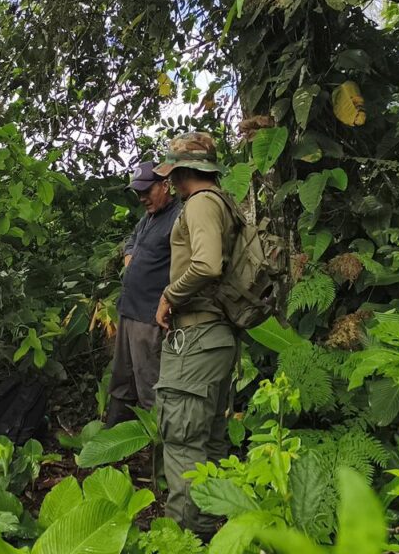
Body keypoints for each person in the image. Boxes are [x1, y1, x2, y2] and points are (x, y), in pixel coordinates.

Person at [152, 132, 239, 538]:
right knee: (209, 442)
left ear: (182, 170)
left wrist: (169, 295)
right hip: (216, 338)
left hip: (199, 338)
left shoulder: (201, 203)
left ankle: (185, 538)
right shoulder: (223, 201)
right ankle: (211, 532)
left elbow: (206, 265)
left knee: (184, 441)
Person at [106, 161, 181, 426]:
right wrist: (131, 258)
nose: (142, 198)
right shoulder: (148, 218)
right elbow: (130, 242)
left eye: (147, 191)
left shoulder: (179, 216)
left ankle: (162, 445)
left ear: (165, 185)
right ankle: (112, 439)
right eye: (138, 193)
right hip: (128, 310)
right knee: (122, 380)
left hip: (150, 316)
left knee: (151, 385)